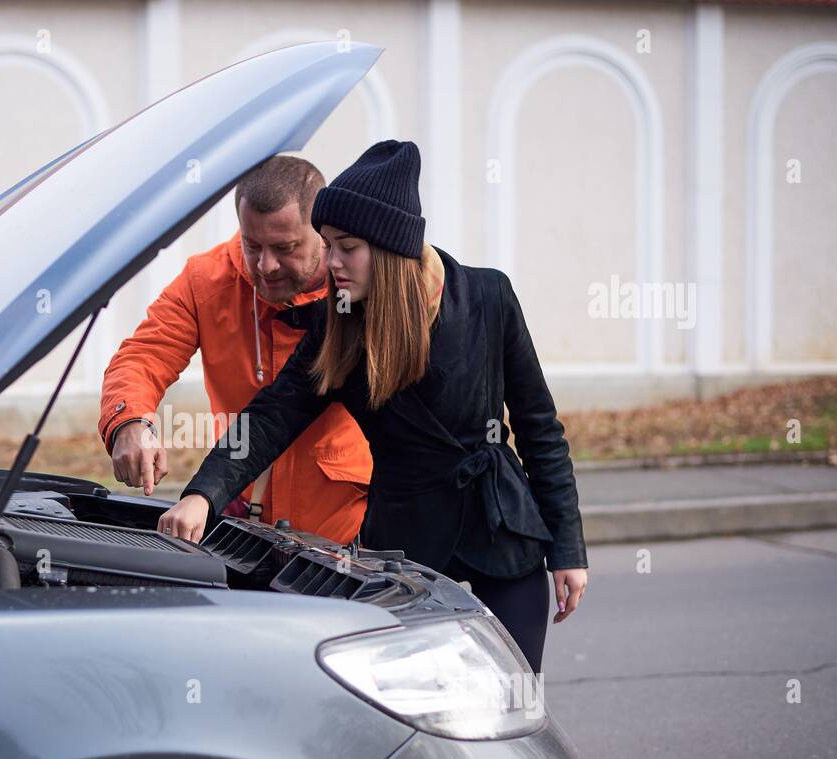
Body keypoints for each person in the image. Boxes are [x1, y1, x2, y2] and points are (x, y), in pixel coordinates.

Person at [157, 140, 588, 672]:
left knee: (514, 701)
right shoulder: (339, 327)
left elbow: (539, 427)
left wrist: (567, 549)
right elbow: (271, 418)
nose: (330, 263)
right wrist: (204, 493)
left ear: (389, 247)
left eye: (346, 247)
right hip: (406, 554)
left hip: (504, 534)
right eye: (327, 244)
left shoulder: (486, 297)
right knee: (412, 707)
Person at [99, 156, 372, 545]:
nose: (267, 265)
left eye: (285, 247)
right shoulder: (206, 279)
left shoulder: (357, 287)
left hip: (349, 527)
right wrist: (128, 421)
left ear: (321, 234)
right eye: (252, 244)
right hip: (240, 515)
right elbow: (145, 355)